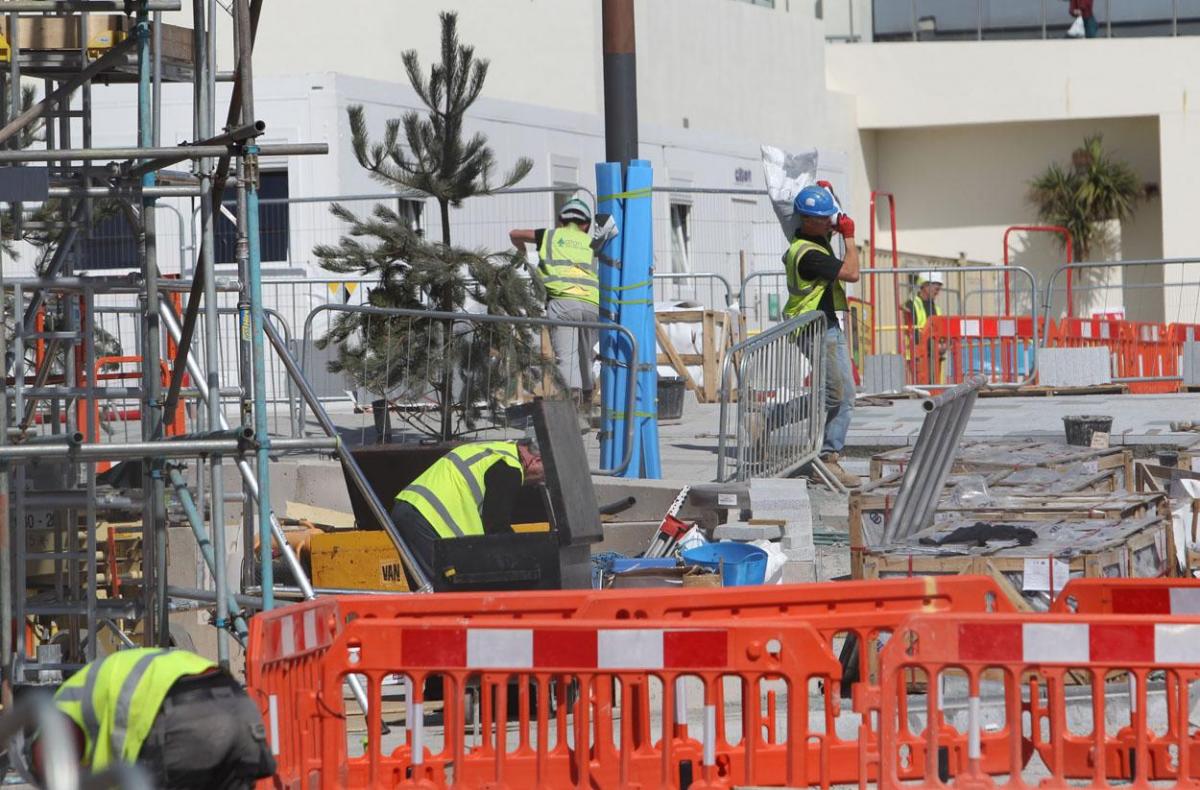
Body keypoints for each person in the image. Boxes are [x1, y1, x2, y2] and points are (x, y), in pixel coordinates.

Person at [41, 647, 275, 788]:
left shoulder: (60, 715)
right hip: (237, 707)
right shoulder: (83, 694)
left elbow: (51, 763)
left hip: (188, 720)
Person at [783, 182, 861, 489]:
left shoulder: (812, 239)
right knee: (836, 394)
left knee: (842, 394)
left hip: (825, 325)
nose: (831, 222)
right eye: (824, 218)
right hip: (815, 328)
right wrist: (851, 238)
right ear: (807, 220)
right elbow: (852, 273)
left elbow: (832, 221)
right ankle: (826, 461)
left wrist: (831, 195)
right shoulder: (809, 255)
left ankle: (769, 420)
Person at [390, 439, 545, 584]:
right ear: (537, 460)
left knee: (424, 591)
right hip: (428, 520)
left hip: (410, 509)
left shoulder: (491, 450)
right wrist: (525, 556)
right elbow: (496, 527)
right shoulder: (509, 465)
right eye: (541, 476)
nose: (536, 481)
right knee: (445, 596)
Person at [510, 199, 600, 429]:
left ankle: (574, 417)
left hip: (563, 303)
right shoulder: (592, 242)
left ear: (561, 221)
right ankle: (586, 410)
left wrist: (522, 254)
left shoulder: (549, 236)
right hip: (592, 305)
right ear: (586, 224)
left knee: (567, 359)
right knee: (585, 357)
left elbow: (515, 234)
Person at [901, 271, 943, 382]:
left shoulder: (937, 308)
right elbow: (911, 330)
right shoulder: (911, 304)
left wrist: (943, 344)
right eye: (935, 284)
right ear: (924, 285)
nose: (938, 288)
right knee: (920, 387)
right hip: (917, 354)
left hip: (933, 354)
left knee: (933, 387)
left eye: (939, 285)